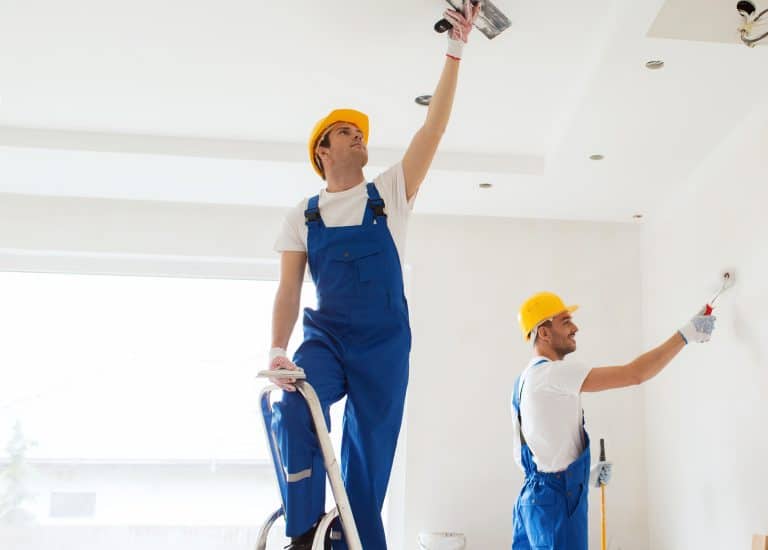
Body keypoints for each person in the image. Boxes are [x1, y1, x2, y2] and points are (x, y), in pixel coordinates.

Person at [264, 3, 482, 548]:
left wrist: (454, 49)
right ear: (323, 151)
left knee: (366, 476)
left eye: (360, 131)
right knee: (294, 402)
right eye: (345, 132)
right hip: (328, 339)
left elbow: (434, 126)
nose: (358, 136)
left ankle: (350, 538)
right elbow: (289, 288)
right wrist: (275, 348)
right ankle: (303, 529)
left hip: (384, 349)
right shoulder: (303, 214)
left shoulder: (389, 195)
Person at [511, 291, 716, 549]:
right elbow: (635, 374)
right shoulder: (553, 374)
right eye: (565, 321)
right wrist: (685, 335)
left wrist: (586, 475)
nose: (575, 328)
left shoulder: (523, 381)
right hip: (556, 502)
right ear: (544, 332)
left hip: (533, 502)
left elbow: (537, 454)